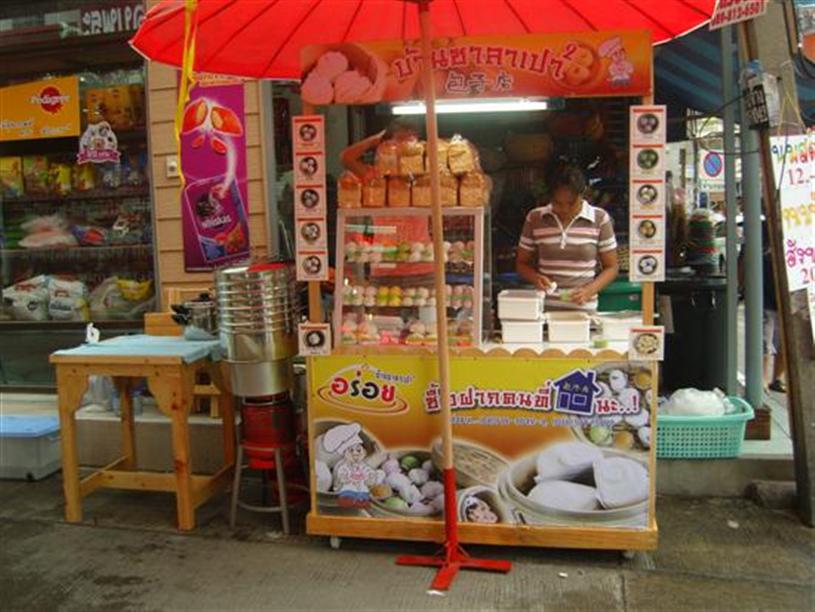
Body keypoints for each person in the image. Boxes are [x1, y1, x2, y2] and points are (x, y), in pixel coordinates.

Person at [516, 165, 619, 311]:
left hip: (584, 311)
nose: (564, 209)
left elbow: (612, 267)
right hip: (546, 310)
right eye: (558, 203)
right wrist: (535, 278)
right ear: (550, 197)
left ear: (583, 194)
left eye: (571, 203)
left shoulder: (600, 218)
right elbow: (521, 264)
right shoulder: (535, 218)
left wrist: (589, 290)